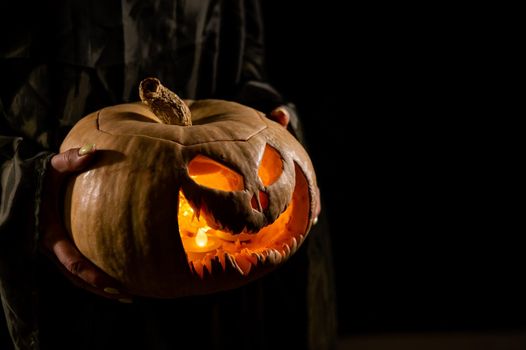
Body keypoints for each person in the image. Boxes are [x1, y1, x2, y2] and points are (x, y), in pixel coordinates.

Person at [1, 1, 336, 349]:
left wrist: (261, 123)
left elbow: (242, 40)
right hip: (60, 248)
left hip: (231, 300)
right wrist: (19, 187)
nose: (256, 202)